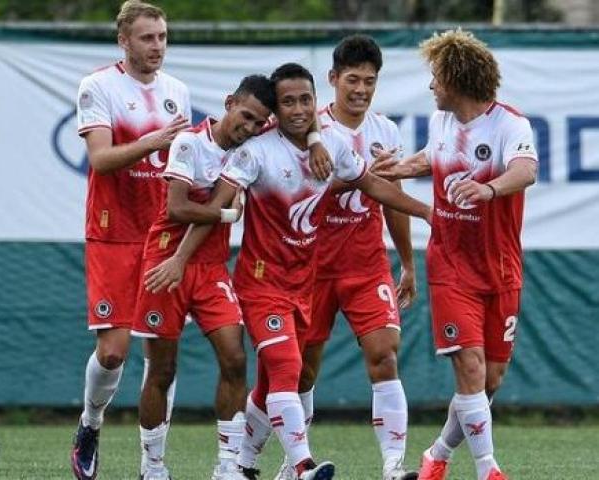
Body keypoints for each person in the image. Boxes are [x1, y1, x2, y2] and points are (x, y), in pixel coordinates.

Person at [146, 63, 432, 480]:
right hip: (261, 282)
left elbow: (372, 184)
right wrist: (180, 258)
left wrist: (427, 212)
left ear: (317, 104)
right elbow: (213, 212)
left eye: (305, 100)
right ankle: (302, 466)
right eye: (288, 102)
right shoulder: (255, 150)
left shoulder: (332, 143)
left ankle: (241, 463)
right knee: (284, 367)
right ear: (274, 113)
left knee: (281, 378)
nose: (298, 109)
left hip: (304, 280)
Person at [371, 29, 537, 480]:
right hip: (449, 263)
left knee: (490, 380)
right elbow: (434, 156)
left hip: (500, 266)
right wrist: (404, 166)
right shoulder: (441, 121)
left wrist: (488, 187)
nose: (431, 87)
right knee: (469, 365)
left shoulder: (509, 124)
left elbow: (525, 171)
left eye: (436, 78)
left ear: (457, 79)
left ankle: (437, 454)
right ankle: (489, 469)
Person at [273, 35, 419, 480]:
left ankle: (394, 466)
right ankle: (293, 461)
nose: (360, 89)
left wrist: (409, 262)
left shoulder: (385, 131)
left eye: (369, 81)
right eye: (352, 80)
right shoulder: (308, 129)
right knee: (302, 370)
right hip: (312, 265)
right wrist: (358, 178)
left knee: (385, 354)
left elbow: (392, 199)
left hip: (366, 263)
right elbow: (297, 195)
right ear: (333, 79)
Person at [132, 74, 276, 480]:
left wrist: (316, 141)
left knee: (234, 357)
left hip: (211, 268)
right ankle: (152, 466)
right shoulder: (189, 142)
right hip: (165, 262)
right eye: (245, 117)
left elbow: (306, 118)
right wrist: (227, 215)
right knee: (162, 369)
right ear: (229, 103)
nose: (249, 128)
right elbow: (177, 209)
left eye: (258, 123)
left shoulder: (251, 149)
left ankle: (228, 466)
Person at [71, 1, 191, 479]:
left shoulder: (177, 90)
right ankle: (90, 422)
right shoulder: (97, 85)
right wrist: (153, 142)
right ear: (124, 41)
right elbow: (100, 159)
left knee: (161, 351)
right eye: (147, 38)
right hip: (112, 230)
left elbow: (181, 164)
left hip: (161, 235)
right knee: (114, 351)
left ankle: (152, 465)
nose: (157, 46)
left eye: (162, 36)